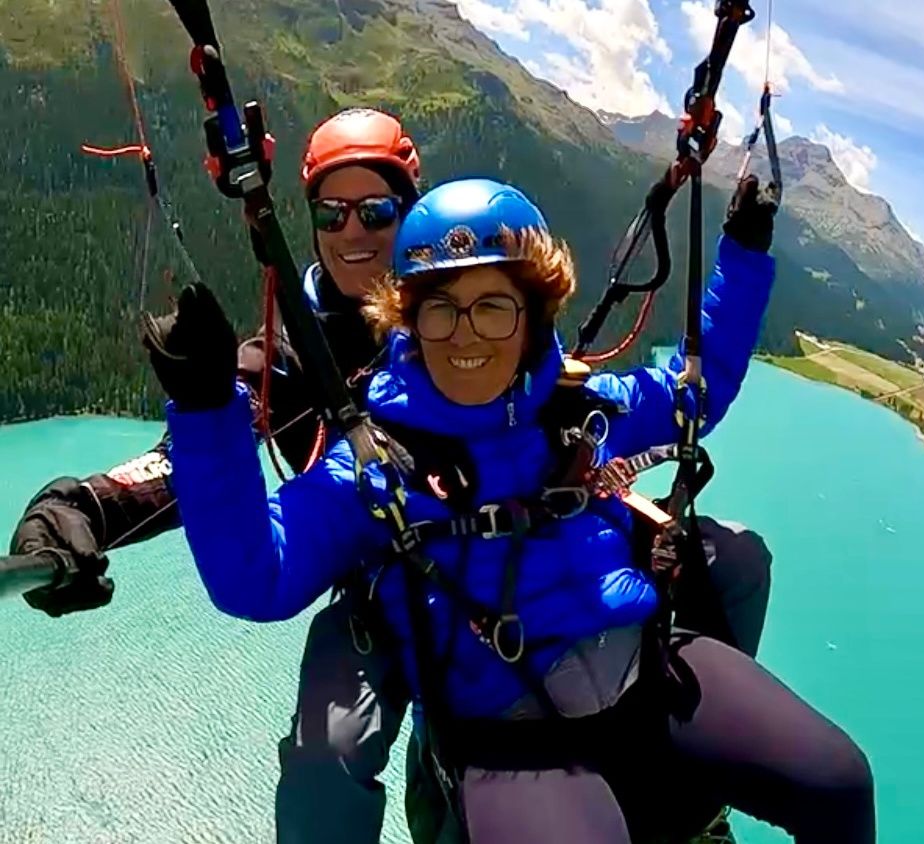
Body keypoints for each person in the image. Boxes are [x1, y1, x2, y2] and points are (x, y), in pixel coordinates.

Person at [10, 109, 773, 843]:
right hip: (381, 577)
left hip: (515, 553)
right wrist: (83, 507)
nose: (353, 231)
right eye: (331, 212)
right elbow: (193, 462)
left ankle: (687, 777)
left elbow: (569, 397)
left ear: (410, 216)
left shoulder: (465, 293)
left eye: (376, 211)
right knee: (327, 753)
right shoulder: (286, 357)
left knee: (732, 559)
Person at [146, 176, 875, 843]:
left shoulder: (578, 410)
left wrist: (742, 253)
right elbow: (258, 579)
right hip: (509, 730)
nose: (465, 333)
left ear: (532, 317)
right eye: (441, 309)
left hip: (648, 667)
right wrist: (207, 412)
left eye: (492, 307)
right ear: (409, 321)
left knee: (838, 784)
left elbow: (697, 392)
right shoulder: (375, 465)